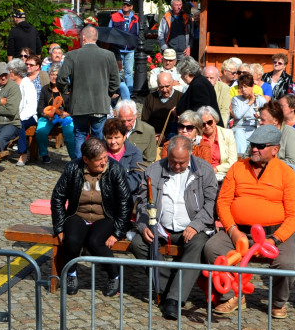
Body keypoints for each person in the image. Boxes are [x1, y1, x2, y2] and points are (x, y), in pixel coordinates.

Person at [204, 125, 295, 318]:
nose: (254, 149)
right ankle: (232, 295)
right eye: (252, 145)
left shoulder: (286, 173)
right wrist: (232, 230)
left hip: (275, 233)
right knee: (212, 249)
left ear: (275, 150)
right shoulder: (237, 168)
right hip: (240, 231)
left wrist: (275, 239)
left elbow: (294, 215)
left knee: (286, 264)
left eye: (260, 146)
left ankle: (278, 302)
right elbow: (223, 202)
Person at [130, 135, 218, 319]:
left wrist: (196, 225)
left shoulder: (204, 171)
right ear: (167, 155)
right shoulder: (154, 170)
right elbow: (143, 202)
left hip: (193, 227)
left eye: (182, 162)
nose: (177, 166)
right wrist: (144, 224)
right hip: (162, 227)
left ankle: (174, 300)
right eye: (173, 162)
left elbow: (211, 203)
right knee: (139, 243)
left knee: (199, 244)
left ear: (190, 155)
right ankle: (173, 286)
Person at [49, 137, 133, 296]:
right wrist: (59, 227)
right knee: (71, 240)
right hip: (78, 214)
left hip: (105, 216)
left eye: (105, 158)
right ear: (86, 160)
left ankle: (114, 274)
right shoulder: (73, 168)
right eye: (98, 160)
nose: (103, 163)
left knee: (95, 242)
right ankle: (71, 274)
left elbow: (125, 201)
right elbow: (58, 197)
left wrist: (118, 232)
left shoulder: (115, 169)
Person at [57, 24, 120, 157]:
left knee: (80, 135)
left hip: (79, 105)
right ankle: (97, 163)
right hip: (100, 104)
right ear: (96, 39)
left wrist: (67, 90)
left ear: (83, 38)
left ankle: (80, 166)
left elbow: (61, 78)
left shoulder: (72, 55)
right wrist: (107, 94)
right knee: (98, 136)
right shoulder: (108, 55)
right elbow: (115, 81)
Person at [35, 63, 76, 163]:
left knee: (69, 132)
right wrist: (48, 115)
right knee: (40, 131)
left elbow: (74, 105)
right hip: (48, 116)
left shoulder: (68, 88)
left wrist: (68, 114)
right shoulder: (45, 89)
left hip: (65, 116)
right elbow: (40, 108)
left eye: (57, 75)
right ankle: (44, 154)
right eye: (52, 74)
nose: (54, 77)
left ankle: (74, 157)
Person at [258, 99, 295, 179]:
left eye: (263, 120)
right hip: (261, 175)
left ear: (275, 121)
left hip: (287, 177)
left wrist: (265, 163)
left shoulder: (290, 133)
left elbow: (293, 163)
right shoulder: (259, 133)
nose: (260, 123)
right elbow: (247, 156)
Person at [7, 59, 37, 166]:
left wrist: (19, 117)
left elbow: (31, 107)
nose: (8, 73)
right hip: (13, 114)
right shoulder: (11, 85)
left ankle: (23, 154)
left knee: (19, 125)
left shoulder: (27, 84)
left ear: (17, 73)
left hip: (28, 116)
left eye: (10, 71)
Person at [103, 118, 144, 194]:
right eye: (109, 138)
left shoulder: (134, 152)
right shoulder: (100, 152)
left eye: (116, 137)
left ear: (124, 136)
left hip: (129, 196)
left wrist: (114, 188)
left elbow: (135, 179)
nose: (113, 142)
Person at [230, 71, 267, 157]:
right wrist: (249, 103)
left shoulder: (260, 100)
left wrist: (260, 117)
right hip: (240, 128)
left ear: (252, 86)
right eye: (241, 87)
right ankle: (242, 158)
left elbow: (268, 113)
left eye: (246, 87)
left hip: (255, 128)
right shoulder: (236, 99)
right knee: (239, 133)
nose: (243, 90)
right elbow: (238, 115)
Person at [197, 105, 237, 181]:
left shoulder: (227, 134)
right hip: (201, 175)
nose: (207, 126)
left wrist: (216, 169)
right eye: (203, 124)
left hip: (222, 175)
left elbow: (233, 161)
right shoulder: (197, 137)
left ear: (215, 120)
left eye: (209, 122)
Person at [143, 72, 183, 145]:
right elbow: (144, 121)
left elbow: (185, 124)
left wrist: (177, 116)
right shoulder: (151, 98)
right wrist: (154, 135)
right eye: (161, 87)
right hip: (154, 137)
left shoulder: (180, 97)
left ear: (173, 83)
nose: (164, 90)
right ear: (158, 85)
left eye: (167, 86)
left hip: (173, 138)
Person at [109, 0, 140, 91]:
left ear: (131, 7)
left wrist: (135, 43)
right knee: (116, 71)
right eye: (124, 4)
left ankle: (129, 92)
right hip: (118, 48)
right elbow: (109, 31)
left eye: (127, 4)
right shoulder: (114, 16)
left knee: (129, 72)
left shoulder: (135, 18)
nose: (125, 6)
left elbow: (137, 33)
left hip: (130, 49)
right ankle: (117, 90)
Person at [117, 99, 158, 167]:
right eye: (123, 121)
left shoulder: (148, 130)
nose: (126, 124)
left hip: (138, 170)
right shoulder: (111, 129)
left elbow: (149, 159)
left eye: (129, 120)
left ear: (136, 115)